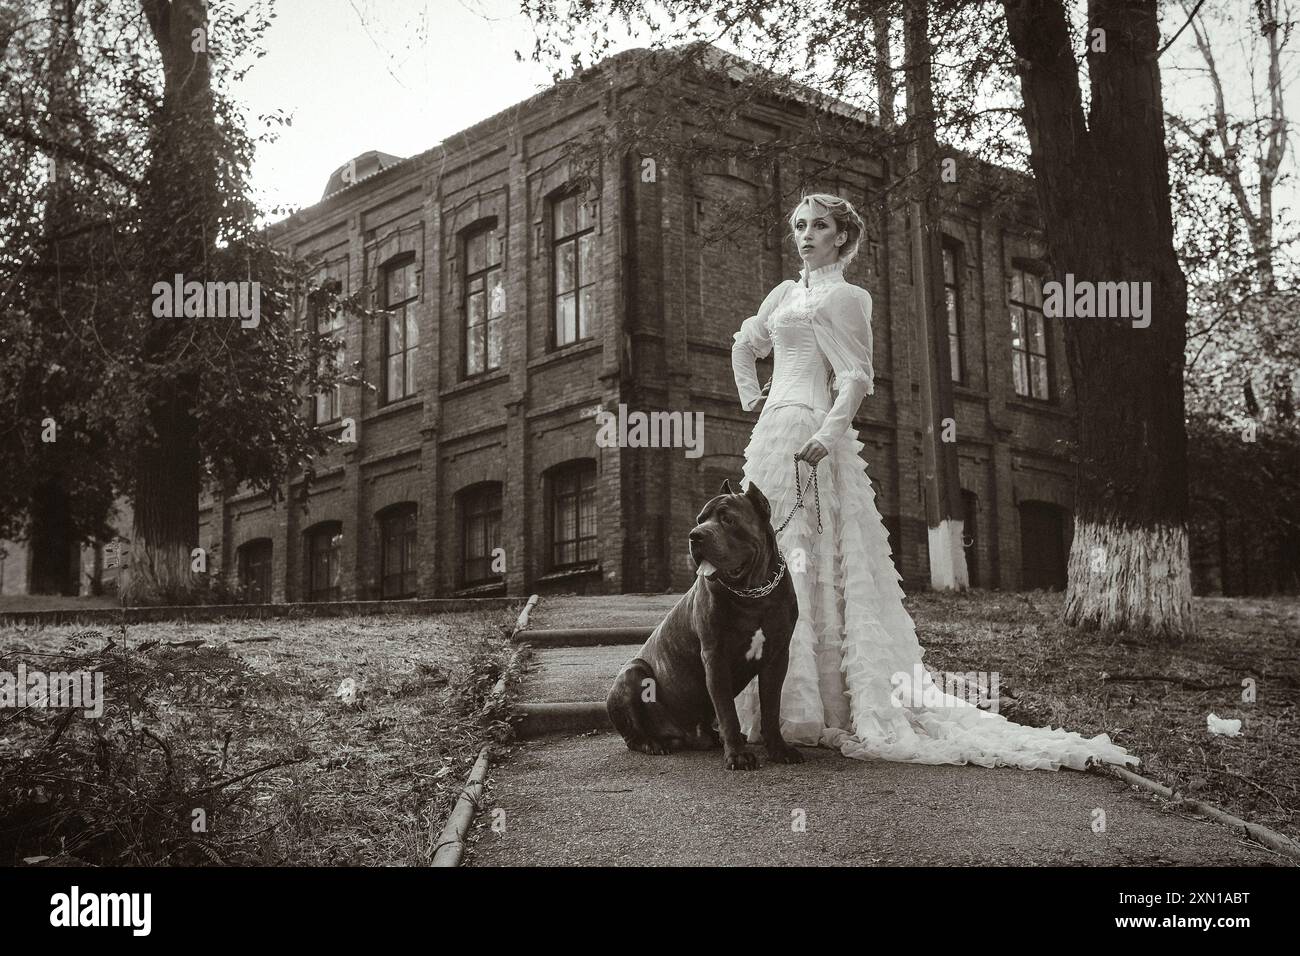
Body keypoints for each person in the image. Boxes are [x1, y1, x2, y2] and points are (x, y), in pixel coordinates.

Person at [729, 192, 1137, 771]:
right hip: (772, 432)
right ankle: (759, 699)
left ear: (842, 236)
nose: (806, 235)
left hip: (815, 433)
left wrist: (827, 433)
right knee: (766, 550)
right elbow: (747, 344)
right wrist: (754, 396)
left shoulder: (849, 297)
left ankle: (818, 703)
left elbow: (856, 375)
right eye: (799, 225)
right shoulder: (783, 293)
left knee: (812, 552)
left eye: (819, 226)